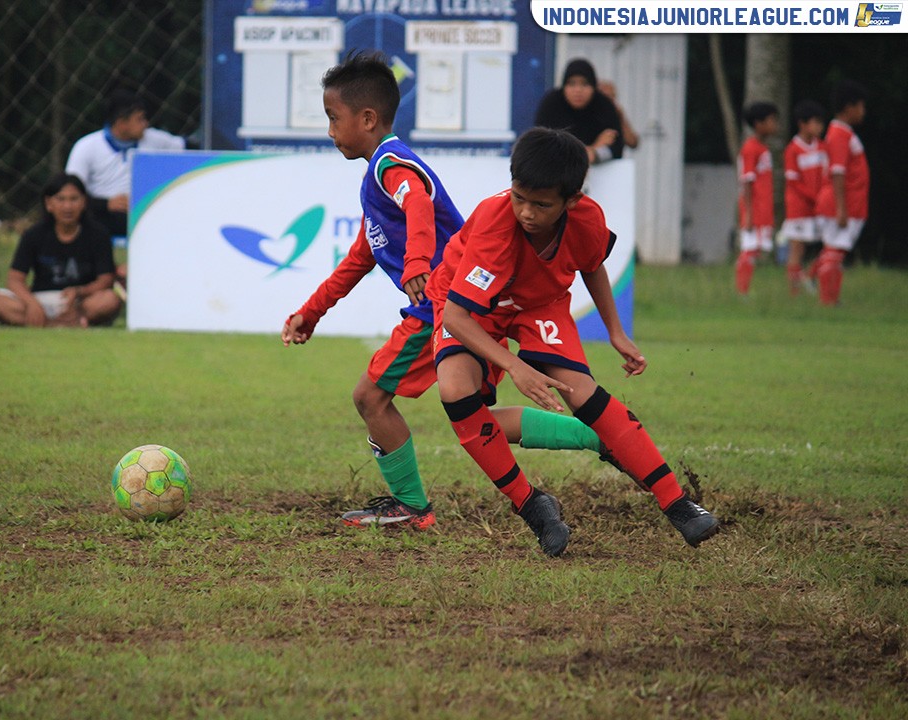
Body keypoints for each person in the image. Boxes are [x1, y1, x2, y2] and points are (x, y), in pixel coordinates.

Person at [282, 53, 603, 531]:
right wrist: (312, 312)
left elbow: (416, 203)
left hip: (441, 304)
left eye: (333, 118)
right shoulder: (379, 180)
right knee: (476, 416)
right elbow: (360, 257)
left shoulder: (391, 166)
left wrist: (416, 261)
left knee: (371, 397)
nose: (330, 131)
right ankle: (599, 434)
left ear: (367, 119)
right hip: (466, 305)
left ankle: (412, 508)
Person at [426, 128, 720, 559]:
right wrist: (516, 366)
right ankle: (533, 506)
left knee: (582, 393)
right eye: (519, 198)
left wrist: (615, 331)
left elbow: (592, 263)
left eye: (541, 205)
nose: (526, 212)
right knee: (455, 391)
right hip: (469, 307)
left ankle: (678, 504)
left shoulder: (587, 218)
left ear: (572, 200)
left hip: (538, 302)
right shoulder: (494, 221)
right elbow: (456, 316)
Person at [0, 173, 122, 327]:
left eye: (73, 199)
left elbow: (106, 279)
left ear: (84, 202)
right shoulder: (33, 234)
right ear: (49, 203)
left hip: (80, 300)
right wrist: (31, 303)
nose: (67, 206)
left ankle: (48, 323)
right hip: (41, 299)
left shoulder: (98, 234)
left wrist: (79, 292)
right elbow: (15, 279)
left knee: (109, 300)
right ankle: (60, 324)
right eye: (61, 199)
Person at [65, 88, 186, 238]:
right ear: (122, 123)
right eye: (140, 119)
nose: (146, 124)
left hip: (146, 212)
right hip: (102, 216)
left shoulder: (155, 140)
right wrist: (106, 204)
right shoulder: (86, 147)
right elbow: (71, 191)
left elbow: (187, 147)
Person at [813, 80, 869, 307]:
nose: (863, 111)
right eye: (861, 105)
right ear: (848, 107)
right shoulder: (838, 134)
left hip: (849, 203)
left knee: (835, 252)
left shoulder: (844, 133)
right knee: (835, 251)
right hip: (841, 204)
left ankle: (831, 299)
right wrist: (841, 208)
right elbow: (837, 172)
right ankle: (827, 300)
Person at [534, 58, 623, 166]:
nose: (578, 90)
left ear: (593, 87)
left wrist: (596, 154)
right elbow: (542, 147)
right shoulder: (552, 104)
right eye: (572, 84)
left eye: (585, 84)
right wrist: (592, 149)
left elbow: (616, 148)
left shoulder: (604, 106)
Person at [781, 100, 827, 296]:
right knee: (797, 249)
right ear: (802, 124)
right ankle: (795, 293)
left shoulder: (822, 147)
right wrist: (815, 197)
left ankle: (810, 276)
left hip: (819, 206)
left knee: (829, 244)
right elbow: (794, 183)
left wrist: (823, 197)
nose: (820, 127)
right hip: (799, 208)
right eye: (816, 122)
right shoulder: (793, 150)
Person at [734, 101, 778, 296]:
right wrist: (749, 214)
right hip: (755, 209)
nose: (775, 125)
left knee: (755, 250)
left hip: (763, 209)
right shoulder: (751, 148)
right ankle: (742, 291)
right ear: (759, 124)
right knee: (750, 249)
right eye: (772, 120)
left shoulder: (763, 148)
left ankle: (743, 290)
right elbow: (747, 181)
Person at [597, 80, 640, 150]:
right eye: (605, 98)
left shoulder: (617, 114)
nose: (609, 102)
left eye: (612, 97)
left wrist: (621, 117)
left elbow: (633, 142)